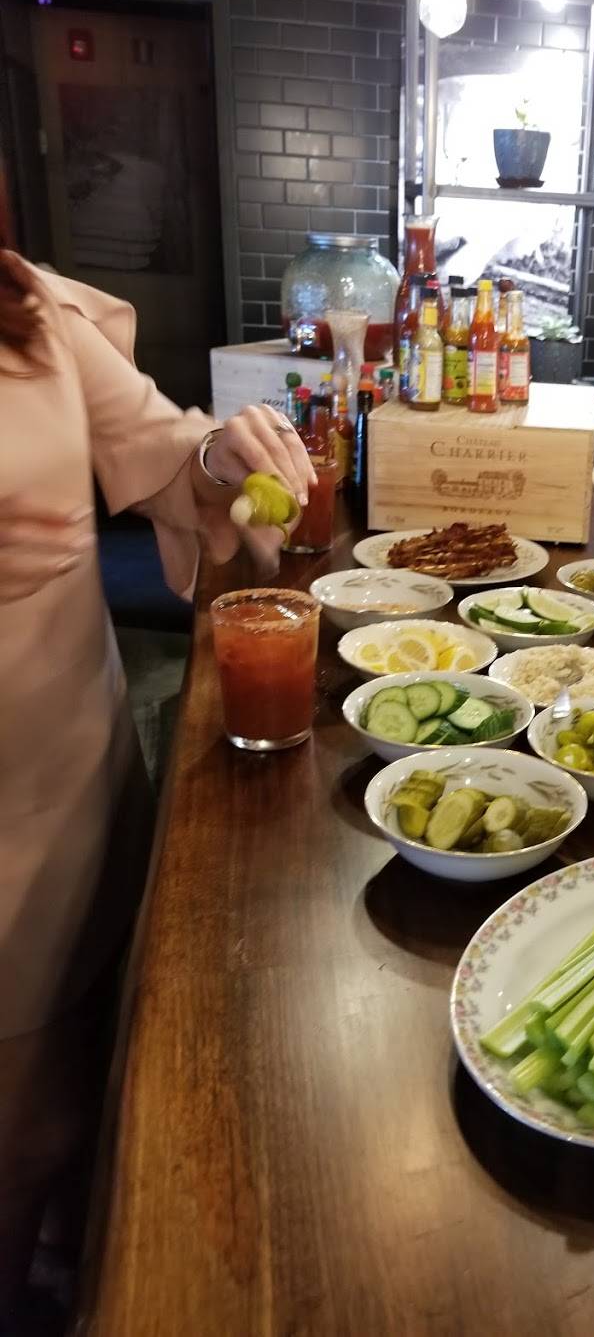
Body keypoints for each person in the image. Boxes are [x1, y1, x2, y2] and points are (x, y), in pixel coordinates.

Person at [0, 239, 317, 1317]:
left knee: (88, 1081)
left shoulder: (25, 305)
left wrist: (222, 455)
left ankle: (71, 1270)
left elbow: (160, 445)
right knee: (20, 1134)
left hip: (77, 773)